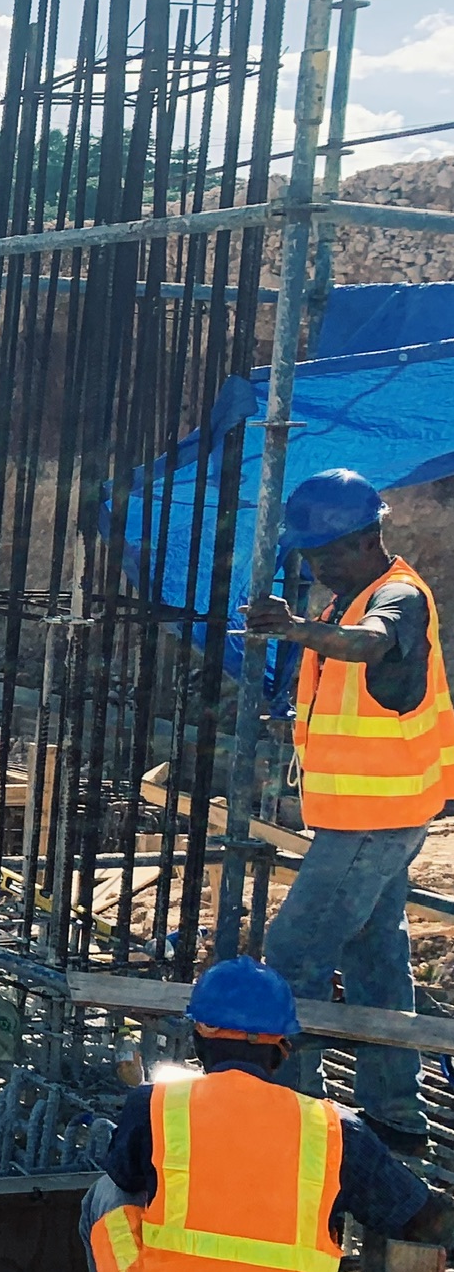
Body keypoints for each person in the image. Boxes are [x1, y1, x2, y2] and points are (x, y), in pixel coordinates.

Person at [84, 958, 454, 1272]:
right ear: (282, 1047)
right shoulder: (334, 1130)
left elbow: (124, 1174)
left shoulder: (156, 1105)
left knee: (106, 1198)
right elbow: (423, 1221)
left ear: (199, 1038)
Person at [246, 468, 454, 1152]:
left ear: (367, 538)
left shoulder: (392, 597)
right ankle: (395, 1118)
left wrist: (296, 629)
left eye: (328, 553)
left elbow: (371, 644)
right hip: (369, 810)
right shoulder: (350, 595)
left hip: (376, 815)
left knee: (293, 952)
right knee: (374, 954)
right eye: (310, 556)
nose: (318, 566)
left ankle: (294, 1120)